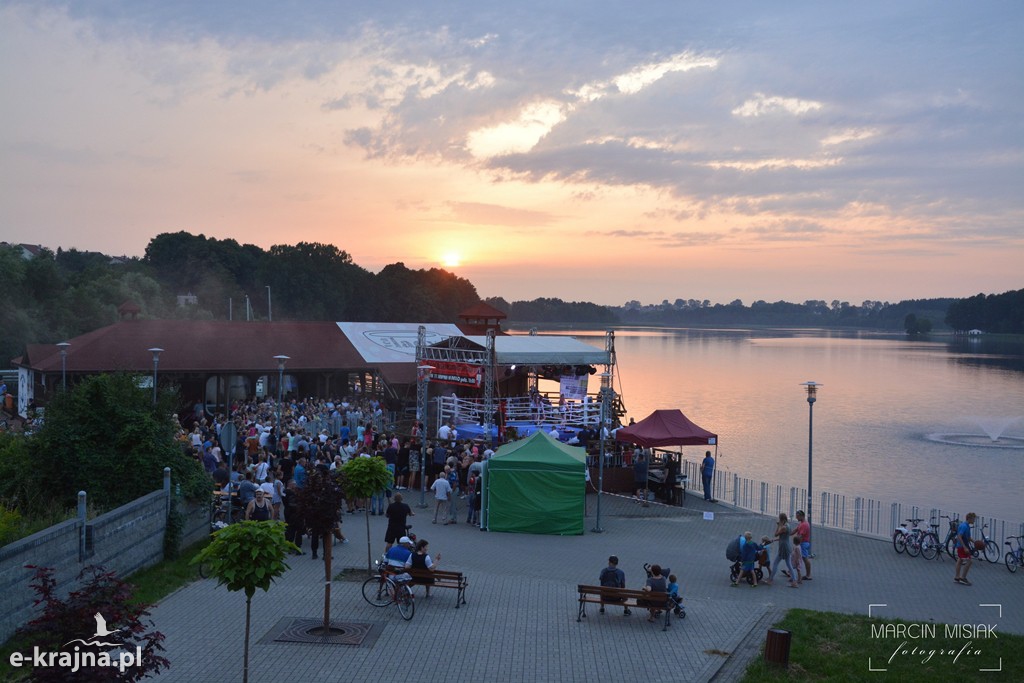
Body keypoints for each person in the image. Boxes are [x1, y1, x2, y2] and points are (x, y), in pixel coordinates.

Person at [766, 512, 799, 588]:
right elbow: (783, 537)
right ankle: (794, 581)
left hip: (783, 547)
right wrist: (774, 540)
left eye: (780, 519)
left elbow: (776, 534)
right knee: (789, 564)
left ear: (782, 519)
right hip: (786, 545)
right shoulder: (788, 525)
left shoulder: (784, 527)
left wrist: (778, 526)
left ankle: (770, 580)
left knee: (775, 563)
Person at [955, 511, 977, 585]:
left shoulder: (967, 526)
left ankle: (957, 577)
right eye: (973, 519)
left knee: (960, 560)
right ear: (969, 519)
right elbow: (959, 536)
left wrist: (975, 543)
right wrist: (964, 547)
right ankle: (963, 578)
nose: (974, 520)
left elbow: (968, 537)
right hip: (962, 546)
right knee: (969, 561)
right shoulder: (964, 526)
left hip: (961, 546)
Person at [794, 510, 812, 580]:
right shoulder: (802, 523)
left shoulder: (804, 525)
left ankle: (808, 575)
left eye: (797, 516)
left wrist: (797, 544)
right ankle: (790, 571)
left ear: (802, 516)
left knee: (805, 559)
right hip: (803, 543)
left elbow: (800, 536)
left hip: (803, 543)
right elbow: (796, 530)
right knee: (796, 557)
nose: (796, 518)